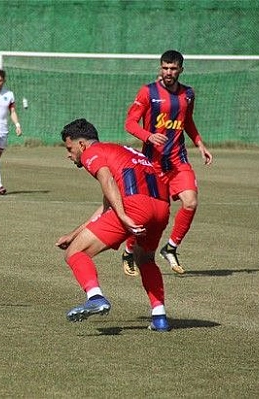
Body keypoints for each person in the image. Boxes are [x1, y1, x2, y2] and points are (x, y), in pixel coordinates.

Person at [55, 118, 172, 332]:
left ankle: (95, 297)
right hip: (161, 208)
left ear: (82, 144)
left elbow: (107, 181)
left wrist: (124, 216)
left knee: (74, 253)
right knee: (145, 259)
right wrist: (73, 234)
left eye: (70, 148)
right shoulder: (122, 152)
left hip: (134, 207)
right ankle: (159, 317)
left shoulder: (92, 152)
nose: (69, 154)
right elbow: (108, 204)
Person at [121, 50, 213, 276]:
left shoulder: (188, 94)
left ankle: (170, 248)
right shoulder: (147, 92)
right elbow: (130, 123)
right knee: (151, 216)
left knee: (190, 202)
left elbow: (187, 121)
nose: (168, 72)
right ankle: (128, 250)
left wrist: (200, 143)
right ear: (160, 68)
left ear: (181, 69)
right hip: (152, 164)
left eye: (173, 68)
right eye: (165, 68)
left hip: (177, 160)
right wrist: (148, 136)